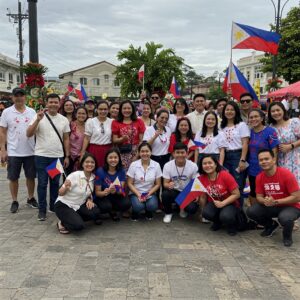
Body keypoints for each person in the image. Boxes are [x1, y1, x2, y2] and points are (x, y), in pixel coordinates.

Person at [27, 93, 70, 221]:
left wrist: (67, 155)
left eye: (55, 102)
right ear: (46, 103)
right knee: (42, 183)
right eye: (50, 102)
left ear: (59, 103)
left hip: (56, 157)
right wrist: (37, 120)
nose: (53, 104)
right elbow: (28, 134)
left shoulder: (63, 119)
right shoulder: (38, 116)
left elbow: (66, 139)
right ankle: (42, 210)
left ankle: (53, 206)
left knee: (55, 183)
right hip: (41, 156)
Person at [246, 149, 300, 247]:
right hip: (272, 205)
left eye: (266, 159)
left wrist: (275, 201)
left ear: (274, 160)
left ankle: (287, 236)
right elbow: (259, 197)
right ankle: (270, 225)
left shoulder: (286, 174)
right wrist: (265, 201)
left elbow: (297, 197)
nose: (263, 162)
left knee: (285, 218)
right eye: (261, 160)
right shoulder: (259, 177)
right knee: (251, 211)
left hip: (291, 206)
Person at [0, 87, 38, 213]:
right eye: (16, 95)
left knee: (31, 176)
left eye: (21, 95)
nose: (19, 98)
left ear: (25, 97)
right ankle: (14, 200)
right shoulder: (6, 112)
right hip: (13, 151)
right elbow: (2, 132)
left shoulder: (32, 111)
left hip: (30, 151)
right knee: (13, 177)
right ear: (12, 97)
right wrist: (3, 150)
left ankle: (30, 198)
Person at [55, 153, 101, 233]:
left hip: (78, 205)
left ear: (95, 164)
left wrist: (89, 199)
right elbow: (60, 193)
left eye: (92, 162)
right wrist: (65, 187)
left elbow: (88, 192)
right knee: (79, 226)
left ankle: (73, 218)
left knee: (95, 212)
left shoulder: (93, 177)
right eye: (87, 162)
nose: (89, 164)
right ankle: (62, 222)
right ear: (82, 164)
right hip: (64, 205)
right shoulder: (74, 175)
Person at [199, 155, 240, 236]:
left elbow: (237, 194)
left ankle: (231, 226)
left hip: (230, 203)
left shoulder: (224, 175)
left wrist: (223, 203)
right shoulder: (202, 178)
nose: (207, 165)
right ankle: (217, 222)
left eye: (210, 163)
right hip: (215, 203)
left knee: (225, 216)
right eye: (204, 163)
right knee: (206, 213)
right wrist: (202, 212)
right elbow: (203, 197)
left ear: (216, 164)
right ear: (201, 166)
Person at [247, 109, 279, 204]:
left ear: (262, 118)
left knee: (269, 193)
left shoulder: (270, 131)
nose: (253, 119)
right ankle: (255, 215)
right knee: (254, 191)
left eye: (256, 116)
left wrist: (273, 165)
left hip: (267, 168)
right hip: (252, 168)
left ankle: (269, 215)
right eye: (251, 117)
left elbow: (275, 150)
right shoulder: (249, 132)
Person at [221, 101, 250, 205]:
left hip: (237, 156)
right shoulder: (221, 126)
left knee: (238, 186)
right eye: (227, 109)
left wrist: (242, 159)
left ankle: (239, 214)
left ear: (236, 111)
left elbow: (245, 143)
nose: (229, 112)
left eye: (232, 109)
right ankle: (230, 211)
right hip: (224, 157)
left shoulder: (241, 125)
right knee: (227, 185)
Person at [162, 142, 199, 223]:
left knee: (192, 209)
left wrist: (195, 193)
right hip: (175, 191)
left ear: (187, 153)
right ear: (173, 154)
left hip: (187, 191)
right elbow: (165, 184)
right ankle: (168, 213)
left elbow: (196, 183)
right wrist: (168, 185)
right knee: (165, 194)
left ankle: (182, 208)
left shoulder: (193, 166)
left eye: (182, 152)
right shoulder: (167, 165)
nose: (180, 155)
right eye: (177, 152)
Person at [127, 142, 162, 221]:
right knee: (138, 206)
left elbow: (158, 184)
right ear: (139, 153)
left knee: (152, 206)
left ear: (151, 152)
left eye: (147, 151)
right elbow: (129, 183)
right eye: (142, 151)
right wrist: (139, 194)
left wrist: (148, 194)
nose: (145, 153)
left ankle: (148, 211)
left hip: (150, 193)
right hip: (136, 193)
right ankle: (135, 211)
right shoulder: (133, 165)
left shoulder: (156, 165)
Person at [94, 148, 131, 221]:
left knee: (127, 203)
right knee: (106, 206)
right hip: (104, 196)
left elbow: (121, 191)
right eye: (110, 157)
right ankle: (106, 211)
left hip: (116, 195)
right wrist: (105, 192)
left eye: (115, 157)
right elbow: (97, 192)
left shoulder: (122, 171)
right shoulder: (100, 171)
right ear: (106, 159)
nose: (113, 160)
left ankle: (113, 210)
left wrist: (116, 190)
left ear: (119, 159)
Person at [268, 102, 300, 184]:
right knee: (285, 183)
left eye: (278, 110)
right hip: (280, 159)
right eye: (273, 111)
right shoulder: (271, 127)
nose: (276, 113)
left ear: (283, 111)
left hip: (296, 158)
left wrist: (291, 146)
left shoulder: (293, 122)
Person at [112, 100, 145, 170]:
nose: (127, 110)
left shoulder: (139, 121)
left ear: (133, 109)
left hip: (136, 152)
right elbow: (114, 140)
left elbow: (141, 141)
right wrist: (122, 139)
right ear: (121, 110)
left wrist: (137, 155)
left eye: (129, 108)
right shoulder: (115, 122)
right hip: (121, 152)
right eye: (124, 108)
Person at [80, 101, 112, 168]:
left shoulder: (112, 121)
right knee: (93, 169)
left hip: (108, 150)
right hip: (94, 150)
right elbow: (86, 138)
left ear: (108, 110)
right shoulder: (91, 121)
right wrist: (82, 152)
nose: (103, 111)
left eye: (105, 109)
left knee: (106, 169)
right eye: (100, 109)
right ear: (96, 109)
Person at [67, 106, 88, 175]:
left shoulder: (88, 126)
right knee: (68, 178)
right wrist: (67, 156)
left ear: (86, 115)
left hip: (83, 156)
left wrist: (82, 154)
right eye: (79, 113)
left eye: (83, 113)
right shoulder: (70, 125)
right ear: (75, 114)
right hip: (70, 156)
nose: (81, 115)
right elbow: (65, 139)